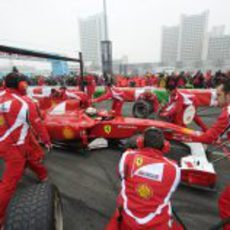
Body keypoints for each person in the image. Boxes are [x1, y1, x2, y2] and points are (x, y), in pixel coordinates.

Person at [0, 71, 51, 226]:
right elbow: (38, 125)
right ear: (22, 85)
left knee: (30, 157)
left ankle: (42, 175)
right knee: (8, 184)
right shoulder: (25, 102)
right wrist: (47, 140)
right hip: (15, 146)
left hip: (7, 141)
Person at [106, 128, 182, 230]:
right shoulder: (174, 168)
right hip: (157, 225)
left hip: (127, 220)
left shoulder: (127, 156)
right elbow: (169, 191)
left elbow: (121, 175)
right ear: (165, 147)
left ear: (140, 142)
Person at [192, 79, 230, 229]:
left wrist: (186, 135)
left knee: (226, 202)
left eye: (219, 94)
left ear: (228, 95)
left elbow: (209, 138)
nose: (216, 98)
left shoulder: (228, 113)